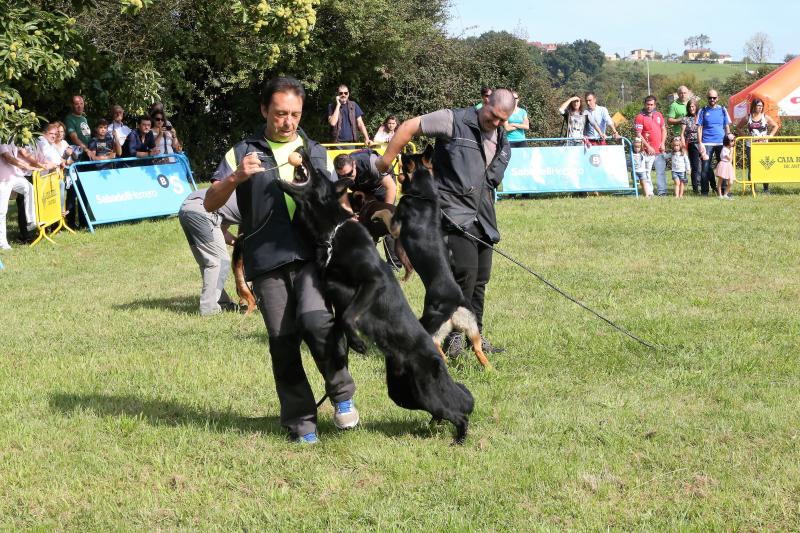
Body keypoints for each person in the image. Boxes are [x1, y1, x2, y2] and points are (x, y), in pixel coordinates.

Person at [203, 76, 358, 444]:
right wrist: (237, 176)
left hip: (312, 256)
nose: (288, 122)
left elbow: (337, 201)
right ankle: (301, 422)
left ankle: (342, 394)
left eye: (295, 114)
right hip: (267, 259)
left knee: (318, 324)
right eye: (280, 114)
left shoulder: (315, 150)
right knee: (282, 341)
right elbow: (210, 203)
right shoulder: (241, 153)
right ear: (264, 110)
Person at [376, 88, 515, 357]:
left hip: (483, 215)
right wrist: (386, 160)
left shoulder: (500, 133)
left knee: (480, 280)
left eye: (502, 120)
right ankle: (452, 339)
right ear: (485, 102)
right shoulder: (452, 120)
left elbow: (493, 169)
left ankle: (477, 336)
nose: (496, 124)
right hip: (453, 213)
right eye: (494, 116)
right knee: (464, 276)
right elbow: (408, 127)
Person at [179, 188, 242, 316]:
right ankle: (209, 309)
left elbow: (221, 231)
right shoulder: (254, 205)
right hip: (201, 211)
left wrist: (238, 244)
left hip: (186, 209)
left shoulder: (233, 197)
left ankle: (222, 303)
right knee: (218, 262)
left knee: (208, 263)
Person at [332, 150, 396, 240]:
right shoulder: (335, 176)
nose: (347, 178)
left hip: (381, 186)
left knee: (388, 222)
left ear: (354, 164)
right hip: (362, 189)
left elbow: (391, 187)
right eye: (343, 176)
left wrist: (385, 212)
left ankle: (391, 252)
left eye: (349, 173)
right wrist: (351, 216)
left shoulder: (372, 163)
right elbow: (343, 200)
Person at [0, 142, 41, 249]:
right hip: (2, 179)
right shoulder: (1, 137)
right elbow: (7, 157)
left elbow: (22, 153)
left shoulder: (12, 138)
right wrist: (27, 166)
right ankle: (3, 242)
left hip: (14, 175)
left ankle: (31, 221)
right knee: (2, 211)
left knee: (29, 188)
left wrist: (37, 164)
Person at [738, 98, 779, 193]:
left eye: (761, 106)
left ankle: (766, 189)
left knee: (765, 166)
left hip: (763, 146)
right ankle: (753, 189)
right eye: (758, 106)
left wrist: (771, 135)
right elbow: (738, 127)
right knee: (752, 166)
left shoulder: (765, 117)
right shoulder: (748, 117)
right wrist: (745, 136)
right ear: (754, 106)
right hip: (751, 146)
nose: (760, 107)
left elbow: (775, 126)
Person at [697, 89, 731, 196]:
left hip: (721, 143)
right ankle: (704, 192)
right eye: (710, 98)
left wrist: (728, 143)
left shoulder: (723, 110)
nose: (712, 100)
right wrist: (700, 143)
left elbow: (727, 127)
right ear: (707, 98)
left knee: (725, 167)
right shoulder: (702, 110)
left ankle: (724, 191)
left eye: (714, 98)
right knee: (705, 168)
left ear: (718, 98)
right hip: (706, 143)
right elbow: (699, 128)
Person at [633, 95, 668, 196]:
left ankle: (662, 192)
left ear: (655, 105)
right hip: (646, 151)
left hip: (659, 149)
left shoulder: (659, 115)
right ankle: (649, 192)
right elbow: (638, 134)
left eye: (651, 104)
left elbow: (663, 130)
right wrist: (648, 146)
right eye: (648, 104)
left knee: (661, 172)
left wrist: (663, 143)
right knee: (647, 173)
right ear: (644, 104)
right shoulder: (640, 117)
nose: (649, 106)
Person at [680, 99, 706, 194]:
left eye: (693, 106)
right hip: (692, 143)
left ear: (696, 106)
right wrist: (683, 146)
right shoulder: (685, 119)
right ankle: (696, 188)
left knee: (704, 166)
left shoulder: (701, 117)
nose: (691, 108)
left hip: (703, 143)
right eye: (690, 107)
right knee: (695, 167)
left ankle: (704, 186)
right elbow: (682, 134)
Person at [64, 95, 91, 161]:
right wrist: (86, 149)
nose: (80, 106)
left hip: (87, 153)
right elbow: (74, 139)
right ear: (72, 105)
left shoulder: (84, 118)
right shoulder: (69, 119)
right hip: (77, 154)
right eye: (76, 104)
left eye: (81, 103)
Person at [715, 133, 736, 199]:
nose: (733, 142)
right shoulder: (724, 149)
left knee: (731, 181)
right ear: (727, 141)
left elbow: (730, 160)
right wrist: (732, 151)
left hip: (728, 166)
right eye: (732, 141)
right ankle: (720, 195)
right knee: (720, 180)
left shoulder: (729, 149)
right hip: (723, 165)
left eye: (733, 141)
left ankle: (725, 194)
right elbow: (729, 158)